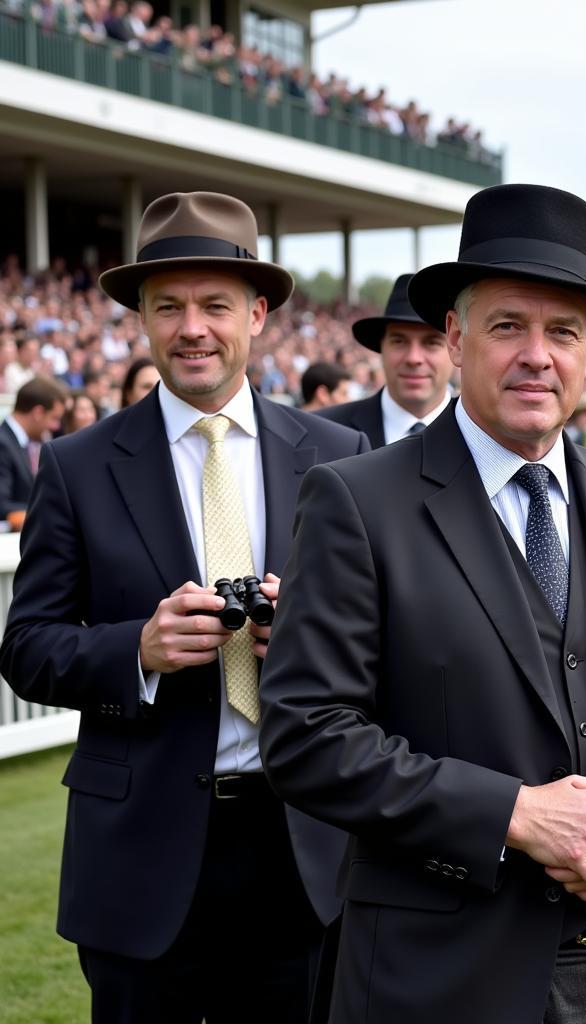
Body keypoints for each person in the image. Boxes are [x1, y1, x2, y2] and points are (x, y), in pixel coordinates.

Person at [258, 183, 586, 1024]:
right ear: (454, 337)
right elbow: (306, 734)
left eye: (563, 333)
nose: (536, 356)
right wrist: (512, 813)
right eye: (509, 325)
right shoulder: (357, 501)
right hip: (443, 975)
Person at [0, 191, 370, 1024]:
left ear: (259, 313)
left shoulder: (339, 457)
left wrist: (304, 634)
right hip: (142, 853)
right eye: (168, 307)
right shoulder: (78, 464)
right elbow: (25, 647)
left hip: (299, 846)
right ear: (142, 320)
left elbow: (382, 640)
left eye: (215, 305)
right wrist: (140, 649)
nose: (192, 327)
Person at [318, 274, 452, 447]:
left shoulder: (485, 433)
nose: (413, 358)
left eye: (431, 342)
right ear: (381, 347)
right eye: (399, 341)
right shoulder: (325, 431)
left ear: (456, 346)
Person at [0, 376, 65, 520]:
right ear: (38, 413)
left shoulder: (26, 444)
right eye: (54, 418)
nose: (56, 427)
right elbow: (2, 505)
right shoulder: (3, 444)